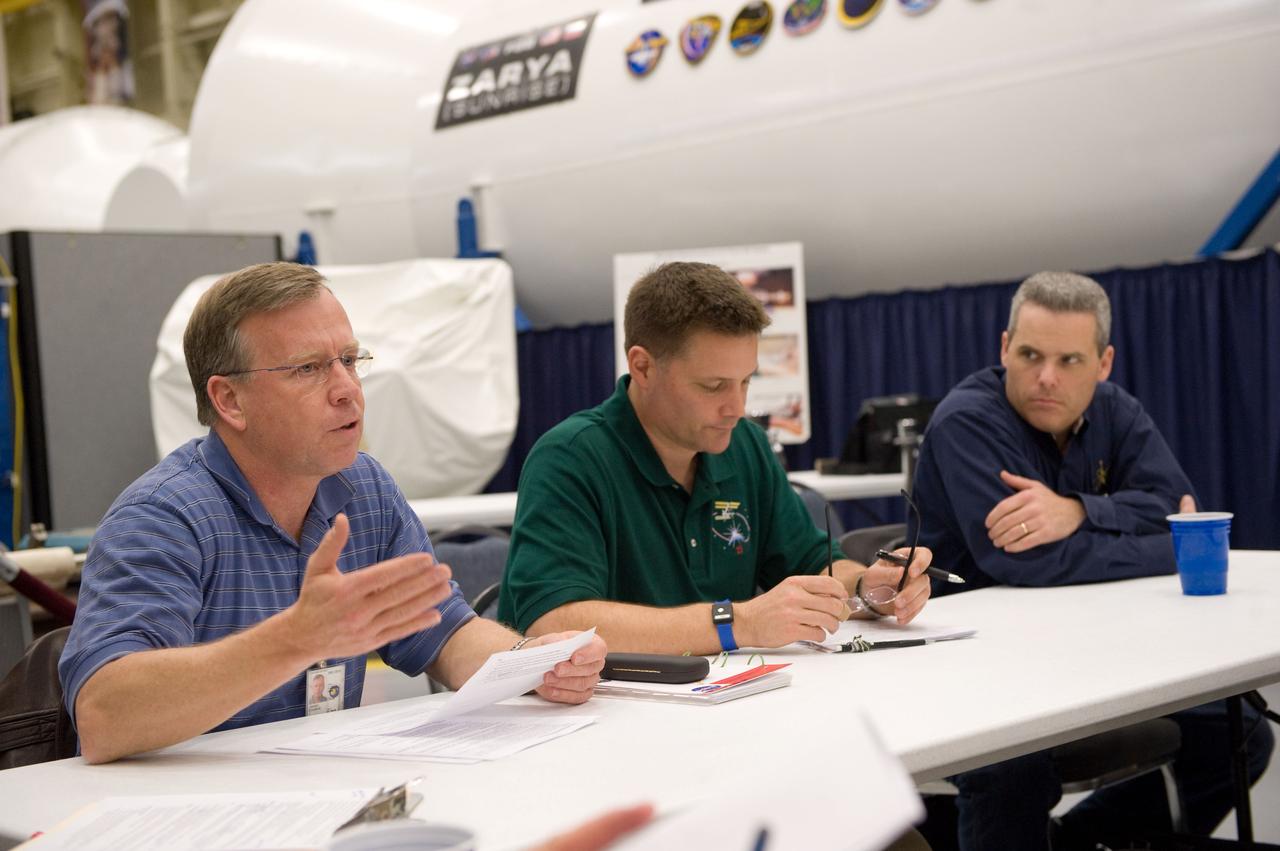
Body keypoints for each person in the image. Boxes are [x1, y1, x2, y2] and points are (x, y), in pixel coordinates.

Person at [59, 262, 606, 764]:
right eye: (308, 369)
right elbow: (105, 715)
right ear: (229, 401)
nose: (348, 391)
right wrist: (297, 639)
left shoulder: (364, 488)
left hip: (320, 796)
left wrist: (531, 661)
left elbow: (444, 635)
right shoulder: (163, 517)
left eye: (348, 360)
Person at [910, 271, 1274, 850]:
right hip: (977, 667)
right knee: (1011, 769)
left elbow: (1178, 508)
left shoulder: (1116, 410)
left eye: (1070, 361)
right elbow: (1026, 563)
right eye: (1029, 355)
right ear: (1005, 348)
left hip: (1092, 650)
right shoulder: (967, 421)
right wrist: (1160, 544)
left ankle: (1080, 842)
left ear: (1103, 363)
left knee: (1243, 736)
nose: (1046, 377)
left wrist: (1078, 510)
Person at [499, 261, 933, 655]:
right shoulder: (570, 459)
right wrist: (737, 623)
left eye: (745, 381)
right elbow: (554, 622)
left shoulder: (745, 446)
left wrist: (865, 586)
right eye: (713, 386)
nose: (736, 408)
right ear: (643, 367)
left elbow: (810, 564)